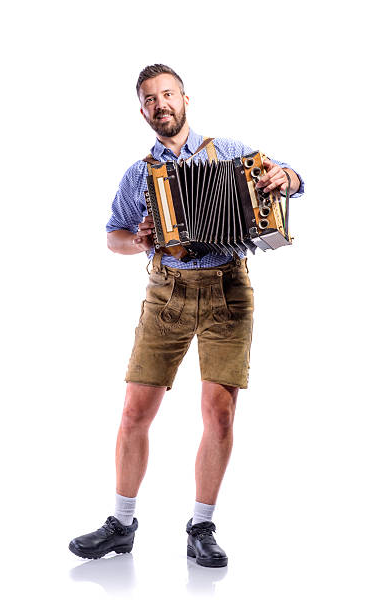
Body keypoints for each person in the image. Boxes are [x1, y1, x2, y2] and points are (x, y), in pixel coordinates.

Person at [69, 64, 304, 568]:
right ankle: (122, 524)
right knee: (135, 411)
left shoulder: (234, 153)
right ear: (143, 111)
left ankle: (201, 525)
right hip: (166, 294)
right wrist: (138, 241)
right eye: (151, 100)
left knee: (219, 412)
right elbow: (113, 235)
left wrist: (288, 176)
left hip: (228, 290)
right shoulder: (139, 174)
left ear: (185, 98)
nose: (162, 105)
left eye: (168, 94)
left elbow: (295, 182)